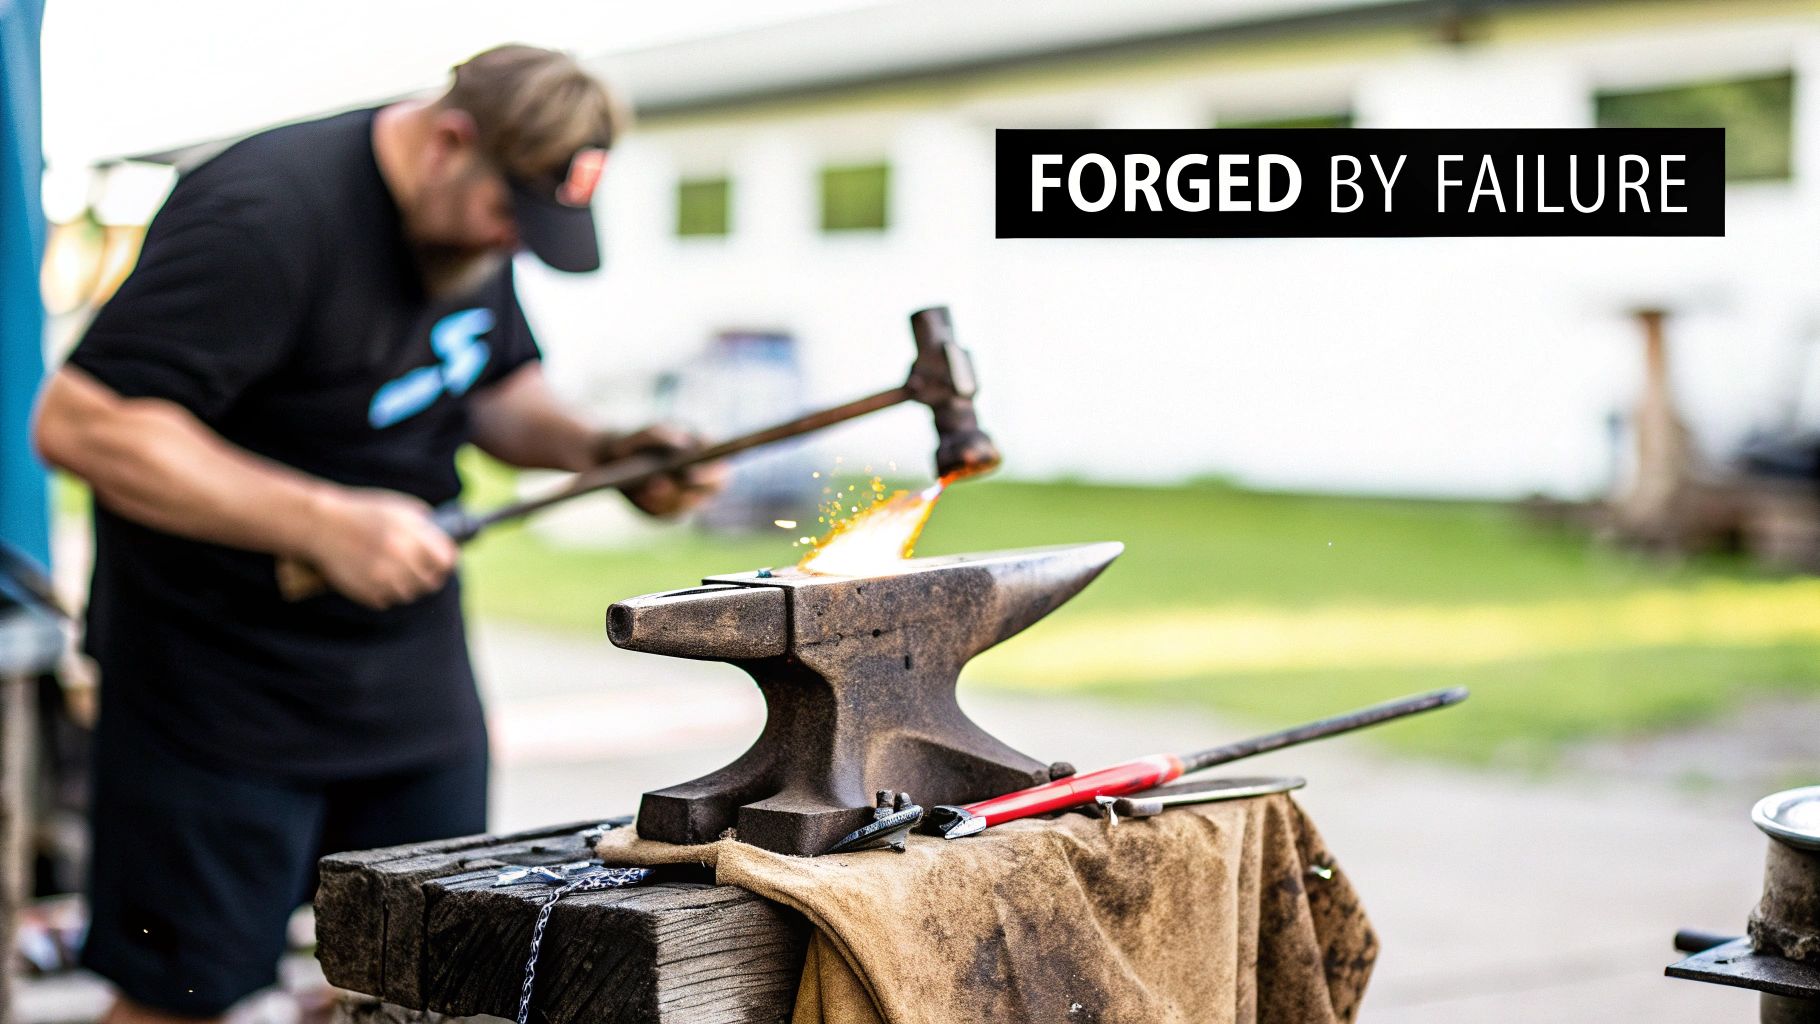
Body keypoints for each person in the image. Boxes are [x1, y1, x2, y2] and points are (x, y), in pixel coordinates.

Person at [31, 45, 723, 1024]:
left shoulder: (469, 231)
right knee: (184, 992)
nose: (510, 244)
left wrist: (602, 449)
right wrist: (319, 520)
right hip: (212, 682)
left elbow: (486, 382)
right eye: (506, 216)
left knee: (427, 975)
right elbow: (83, 420)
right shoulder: (265, 217)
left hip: (403, 678)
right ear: (451, 141)